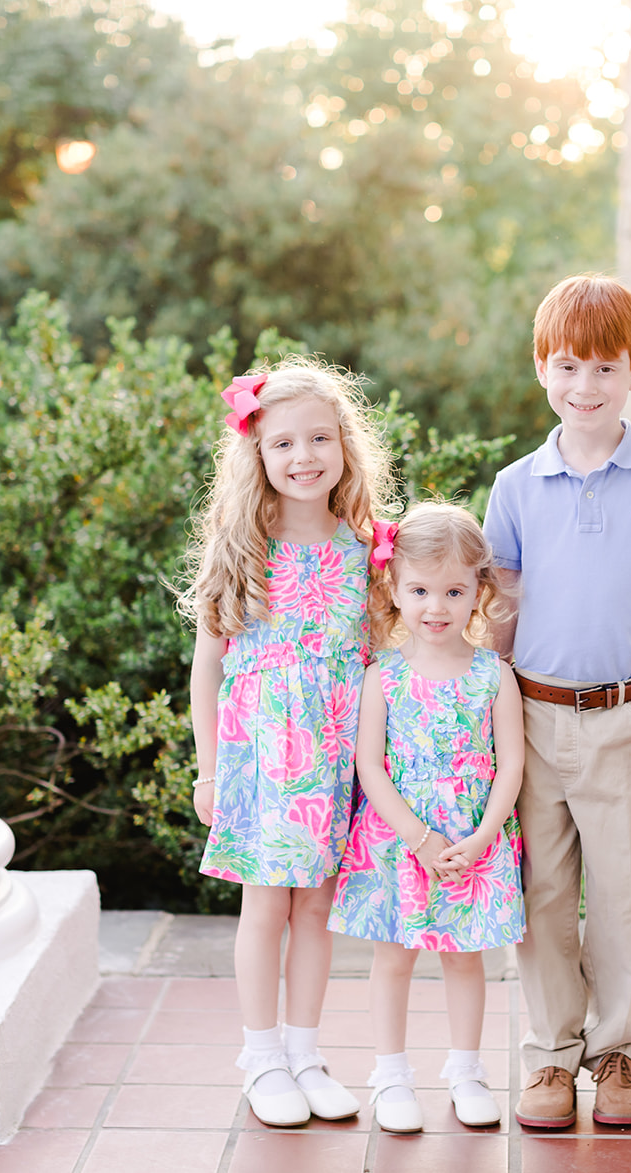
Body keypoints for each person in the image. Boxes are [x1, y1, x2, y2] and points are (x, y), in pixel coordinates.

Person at [483, 274, 631, 1129]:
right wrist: (489, 730)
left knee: (619, 895)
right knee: (542, 894)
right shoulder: (515, 486)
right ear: (543, 368)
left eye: (605, 368)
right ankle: (551, 1055)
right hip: (532, 722)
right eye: (569, 365)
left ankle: (616, 1051)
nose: (586, 386)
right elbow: (498, 612)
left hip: (628, 719)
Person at [183, 359, 393, 1128]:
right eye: (282, 443)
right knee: (265, 906)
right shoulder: (242, 546)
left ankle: (306, 1050)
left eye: (319, 438)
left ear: (345, 445)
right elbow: (208, 667)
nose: (303, 456)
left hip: (336, 760)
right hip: (263, 762)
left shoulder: (366, 551)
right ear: (257, 455)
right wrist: (209, 769)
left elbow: (376, 665)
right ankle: (261, 1054)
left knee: (317, 909)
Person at [328, 502, 526, 1133]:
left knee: (466, 958)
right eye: (419, 590)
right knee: (393, 957)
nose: (435, 606)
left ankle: (466, 1071)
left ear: (478, 593)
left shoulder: (494, 677)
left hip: (474, 841)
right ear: (393, 587)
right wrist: (417, 837)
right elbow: (370, 768)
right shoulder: (382, 676)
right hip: (399, 842)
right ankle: (390, 1076)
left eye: (453, 590)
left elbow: (511, 766)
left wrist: (480, 838)